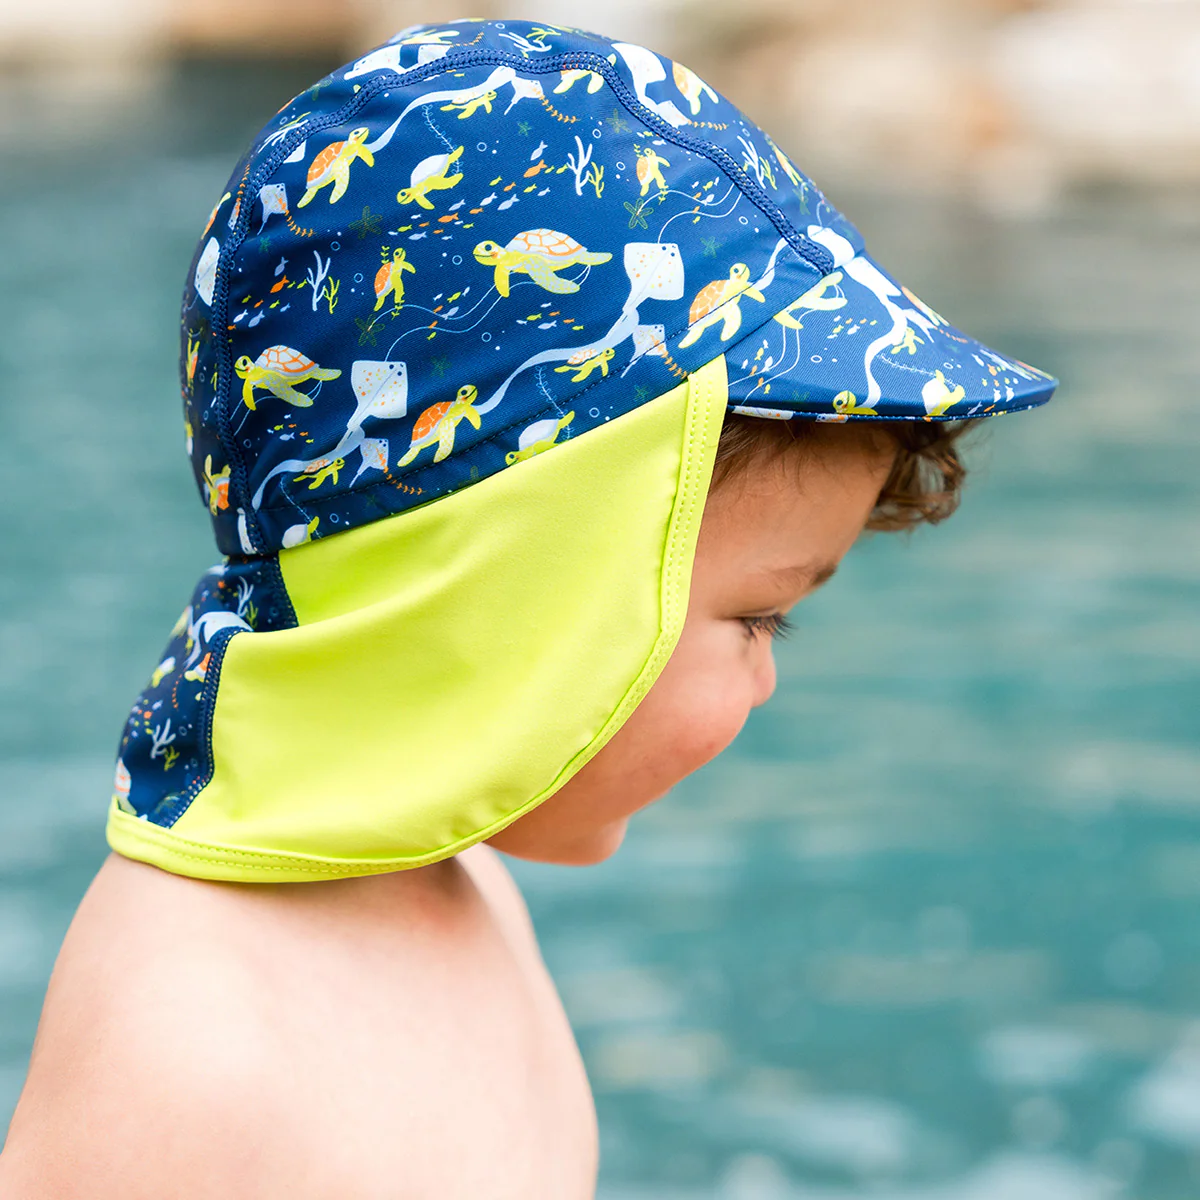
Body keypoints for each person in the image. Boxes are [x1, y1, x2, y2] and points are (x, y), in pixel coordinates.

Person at [0, 18, 1056, 1197]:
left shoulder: (463, 882)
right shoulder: (192, 1060)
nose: (766, 680)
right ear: (511, 583)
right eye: (759, 620)